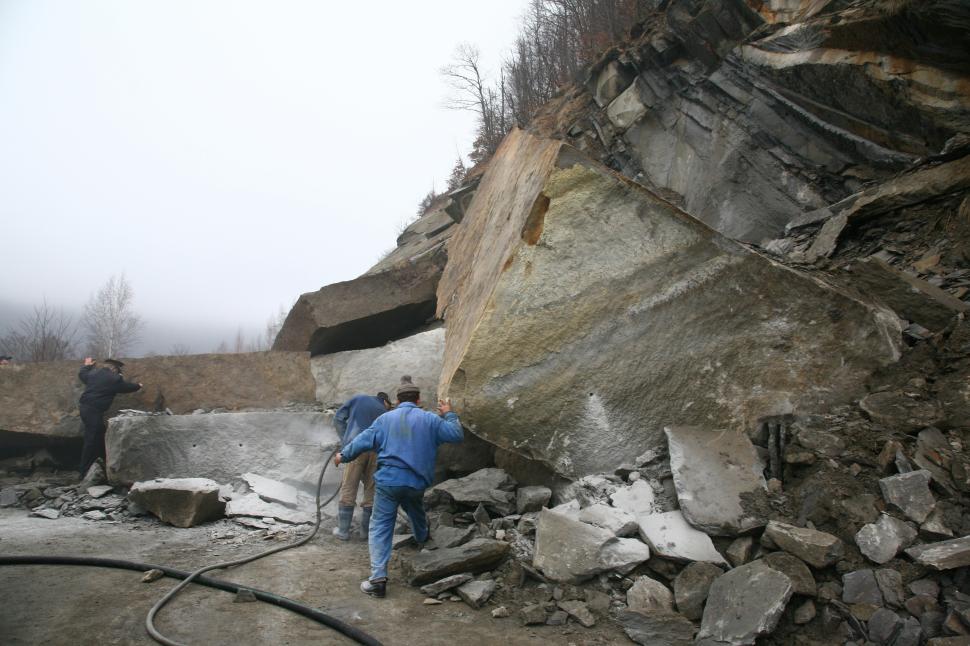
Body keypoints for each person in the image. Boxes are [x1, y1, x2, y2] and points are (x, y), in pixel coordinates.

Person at [335, 375, 463, 598]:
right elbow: (456, 434)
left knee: (381, 526)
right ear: (419, 399)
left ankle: (378, 580)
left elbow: (362, 441)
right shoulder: (431, 420)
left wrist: (342, 455)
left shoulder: (385, 420)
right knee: (415, 511)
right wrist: (449, 413)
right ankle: (423, 539)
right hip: (416, 483)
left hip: (388, 482)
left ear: (397, 399)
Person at [331, 391, 393, 540]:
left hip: (356, 449)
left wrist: (346, 441)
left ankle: (343, 531)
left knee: (349, 487)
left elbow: (338, 418)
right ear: (385, 401)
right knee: (371, 490)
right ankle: (365, 533)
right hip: (377, 452)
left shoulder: (359, 398)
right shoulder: (385, 411)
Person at [77, 357, 142, 476]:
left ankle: (97, 465)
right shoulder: (114, 379)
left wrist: (87, 365)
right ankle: (84, 471)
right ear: (115, 369)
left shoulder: (93, 374)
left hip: (85, 408)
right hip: (94, 411)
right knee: (92, 439)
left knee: (98, 434)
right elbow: (126, 387)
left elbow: (82, 374)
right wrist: (138, 385)